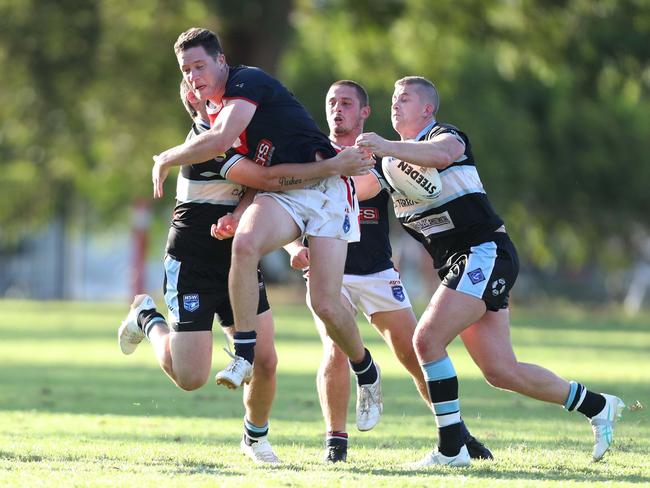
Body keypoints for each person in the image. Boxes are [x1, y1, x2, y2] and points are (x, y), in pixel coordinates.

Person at [356, 76, 625, 467]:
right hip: (463, 262)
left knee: (426, 340)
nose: (394, 104)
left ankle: (452, 450)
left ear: (427, 109)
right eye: (393, 98)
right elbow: (358, 188)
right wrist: (324, 170)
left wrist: (384, 146)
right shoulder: (389, 163)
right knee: (500, 370)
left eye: (405, 98)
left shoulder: (444, 135)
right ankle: (598, 406)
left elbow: (444, 155)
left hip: (484, 252)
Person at [118, 80, 370, 464]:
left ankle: (255, 438)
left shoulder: (245, 137)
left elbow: (273, 197)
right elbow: (270, 180)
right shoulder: (209, 144)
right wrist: (331, 167)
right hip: (195, 262)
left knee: (265, 359)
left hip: (239, 260)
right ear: (193, 100)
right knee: (191, 377)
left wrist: (289, 243)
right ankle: (147, 317)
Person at [152, 28, 383, 431]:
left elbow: (235, 148)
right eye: (186, 71)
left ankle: (367, 371)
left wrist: (163, 158)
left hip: (328, 189)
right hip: (293, 189)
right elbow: (264, 179)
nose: (193, 77)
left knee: (326, 304)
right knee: (245, 245)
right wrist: (240, 213)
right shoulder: (213, 125)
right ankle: (243, 353)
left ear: (221, 62)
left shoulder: (246, 83)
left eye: (199, 66)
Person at [284, 80, 493, 463]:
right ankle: (336, 444)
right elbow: (286, 204)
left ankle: (456, 434)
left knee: (417, 353)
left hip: (379, 271)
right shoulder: (312, 152)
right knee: (335, 350)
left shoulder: (383, 156)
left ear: (365, 112)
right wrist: (295, 246)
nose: (338, 109)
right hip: (331, 274)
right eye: (332, 102)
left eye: (347, 103)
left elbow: (398, 187)